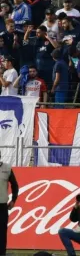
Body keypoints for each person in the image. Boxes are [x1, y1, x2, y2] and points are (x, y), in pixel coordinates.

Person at [0, 95, 19, 253]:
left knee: (2, 232)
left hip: (1, 205)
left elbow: (15, 185)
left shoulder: (7, 167)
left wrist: (13, 200)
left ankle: (2, 252)